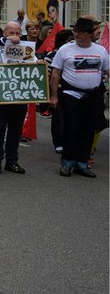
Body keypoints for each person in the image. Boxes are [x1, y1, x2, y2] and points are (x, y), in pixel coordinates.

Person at [50, 18, 109, 177]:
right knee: (72, 129)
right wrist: (54, 96)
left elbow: (107, 71)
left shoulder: (100, 51)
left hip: (92, 97)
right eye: (76, 31)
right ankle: (67, 163)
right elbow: (55, 74)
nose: (77, 35)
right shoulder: (65, 50)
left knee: (88, 130)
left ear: (90, 34)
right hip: (71, 95)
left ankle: (82, 164)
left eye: (81, 32)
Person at [0, 21, 31, 174]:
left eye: (17, 33)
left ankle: (12, 161)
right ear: (4, 33)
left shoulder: (26, 48)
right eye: (11, 33)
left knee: (15, 130)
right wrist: (7, 41)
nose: (15, 36)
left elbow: (33, 64)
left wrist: (40, 64)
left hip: (19, 95)